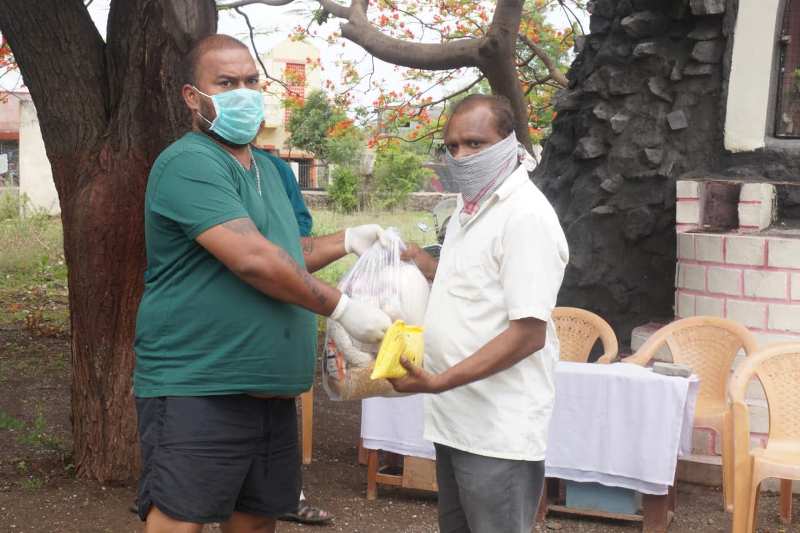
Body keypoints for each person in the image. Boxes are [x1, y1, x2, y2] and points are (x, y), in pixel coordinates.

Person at [133, 34, 391, 533]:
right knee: (178, 522)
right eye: (226, 83)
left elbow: (288, 255)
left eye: (251, 81)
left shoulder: (270, 170)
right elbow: (254, 261)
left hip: (271, 394)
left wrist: (350, 239)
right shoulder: (189, 163)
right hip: (201, 385)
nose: (244, 92)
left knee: (255, 521)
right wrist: (342, 308)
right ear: (193, 96)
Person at [391, 94, 569, 533]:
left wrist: (438, 381)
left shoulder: (525, 216)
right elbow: (474, 285)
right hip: (455, 420)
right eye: (452, 147)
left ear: (510, 142)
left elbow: (528, 334)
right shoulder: (470, 210)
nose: (461, 156)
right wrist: (422, 263)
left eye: (475, 143)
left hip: (496, 431)